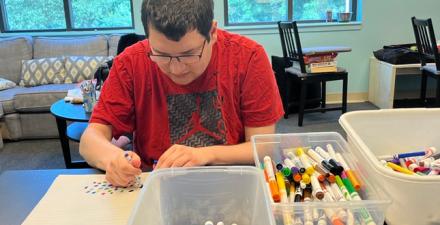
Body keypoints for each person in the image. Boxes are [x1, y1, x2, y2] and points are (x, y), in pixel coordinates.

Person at [79, 0, 284, 187]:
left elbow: (263, 147)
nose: (176, 69)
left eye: (188, 54)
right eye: (161, 54)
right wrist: (113, 159)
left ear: (212, 33)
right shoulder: (130, 63)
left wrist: (205, 155)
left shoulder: (248, 58)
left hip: (232, 184)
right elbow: (90, 139)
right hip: (158, 188)